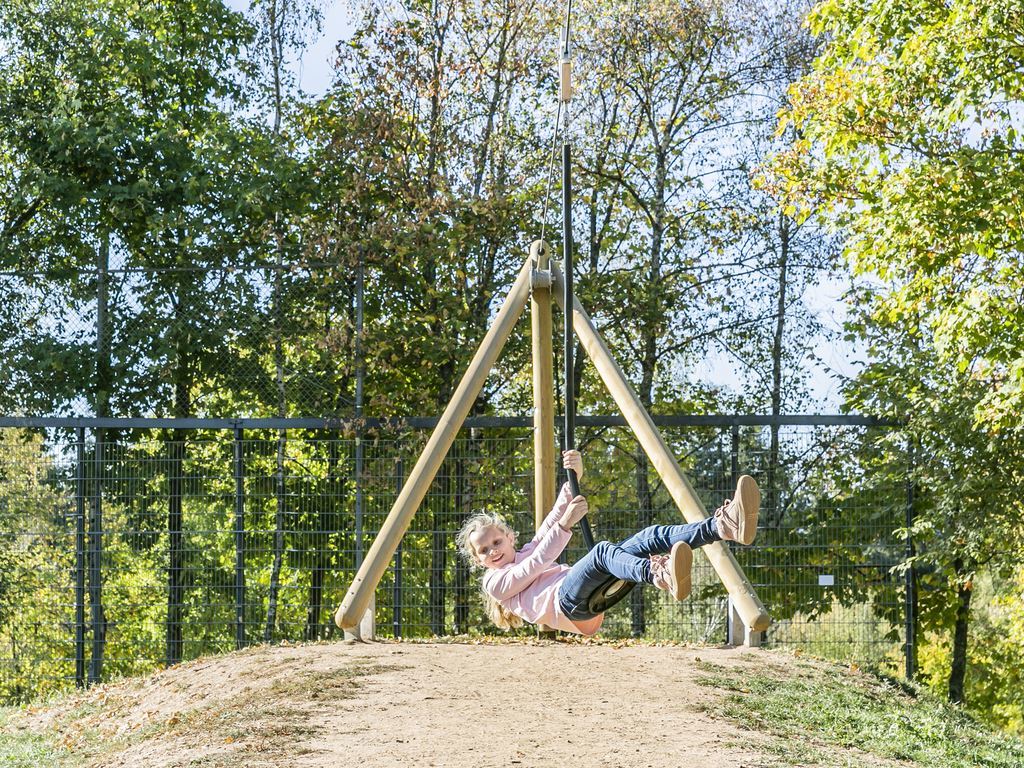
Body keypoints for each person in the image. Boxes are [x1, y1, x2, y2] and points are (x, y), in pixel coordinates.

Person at [455, 449, 760, 635]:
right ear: (478, 560)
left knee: (648, 536)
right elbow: (536, 565)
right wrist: (565, 525)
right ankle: (659, 574)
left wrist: (572, 478)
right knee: (601, 552)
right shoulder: (495, 583)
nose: (492, 551)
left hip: (582, 599)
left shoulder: (522, 551)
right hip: (567, 604)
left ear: (509, 537)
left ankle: (724, 525)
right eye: (484, 550)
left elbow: (551, 522)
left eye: (496, 541)